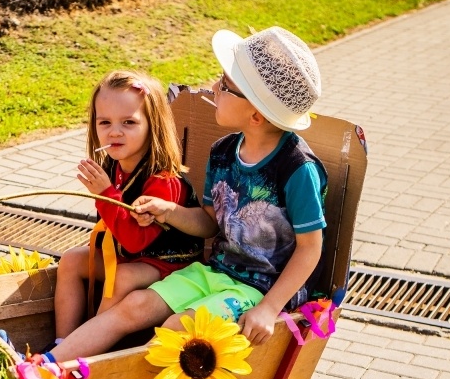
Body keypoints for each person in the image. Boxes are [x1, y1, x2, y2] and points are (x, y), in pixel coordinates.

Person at [50, 26, 326, 361]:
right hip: (217, 272)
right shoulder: (223, 152)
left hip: (263, 289)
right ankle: (52, 366)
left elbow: (311, 248)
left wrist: (269, 309)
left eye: (225, 86)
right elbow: (210, 224)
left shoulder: (296, 169)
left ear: (255, 114)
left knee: (176, 327)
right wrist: (169, 211)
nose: (213, 87)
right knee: (135, 304)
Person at [49, 70, 204, 351]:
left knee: (123, 277)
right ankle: (63, 342)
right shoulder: (115, 166)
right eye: (104, 122)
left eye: (129, 122)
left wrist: (105, 194)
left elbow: (135, 240)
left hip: (169, 262)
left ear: (152, 126)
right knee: (72, 260)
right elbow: (114, 231)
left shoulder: (164, 181)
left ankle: (87, 351)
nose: (114, 131)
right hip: (132, 256)